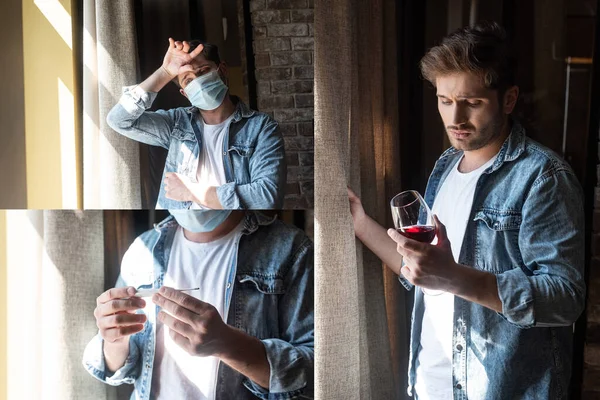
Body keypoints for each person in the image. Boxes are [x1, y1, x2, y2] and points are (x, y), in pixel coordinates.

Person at [348, 22, 585, 400]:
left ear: (508, 100)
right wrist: (358, 222)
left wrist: (456, 277)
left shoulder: (543, 177)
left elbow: (565, 298)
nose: (455, 118)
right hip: (429, 385)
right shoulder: (445, 166)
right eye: (445, 100)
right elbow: (425, 271)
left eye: (471, 102)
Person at [83, 211, 313, 399]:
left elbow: (317, 376)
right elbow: (120, 366)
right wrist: (114, 340)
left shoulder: (290, 249)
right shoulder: (143, 249)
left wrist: (229, 345)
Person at [106, 39, 286, 209]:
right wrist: (165, 73)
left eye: (203, 71)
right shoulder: (176, 123)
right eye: (189, 80)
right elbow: (119, 120)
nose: (198, 82)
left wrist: (192, 192)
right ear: (185, 93)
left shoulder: (262, 128)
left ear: (222, 70)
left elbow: (267, 197)